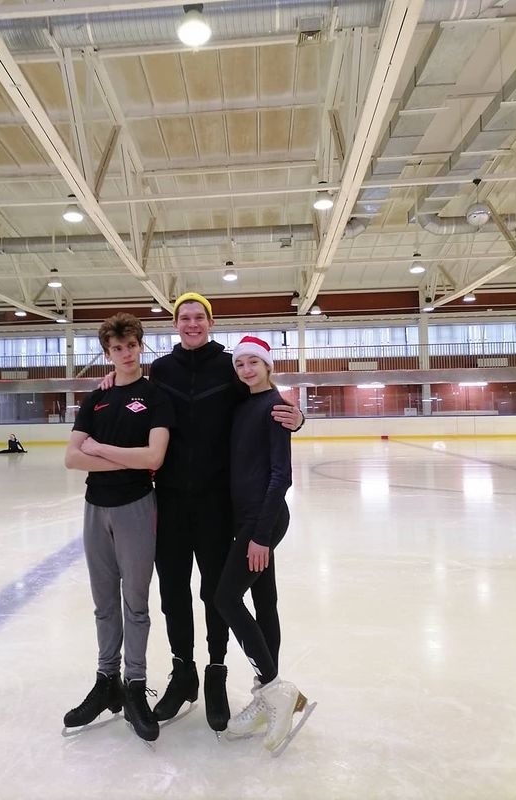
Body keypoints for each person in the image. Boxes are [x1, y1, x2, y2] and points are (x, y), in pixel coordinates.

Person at [146, 293, 304, 734]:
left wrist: (298, 418)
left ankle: (216, 673)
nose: (192, 324)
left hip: (218, 505)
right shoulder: (161, 370)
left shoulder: (229, 367)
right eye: (184, 318)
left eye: (199, 317)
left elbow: (265, 401)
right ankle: (183, 673)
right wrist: (110, 380)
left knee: (215, 593)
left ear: (210, 322)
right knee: (173, 591)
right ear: (175, 324)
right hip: (171, 500)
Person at [62, 313, 174, 743]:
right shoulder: (97, 398)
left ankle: (134, 686)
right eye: (117, 349)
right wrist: (124, 457)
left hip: (136, 508)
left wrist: (101, 449)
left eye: (131, 346)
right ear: (108, 353)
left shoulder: (155, 396)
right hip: (96, 509)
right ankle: (106, 680)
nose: (125, 354)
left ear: (140, 346)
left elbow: (153, 458)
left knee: (135, 604)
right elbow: (73, 458)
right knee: (104, 603)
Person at [214, 335, 315, 756]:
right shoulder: (243, 404)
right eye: (240, 364)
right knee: (264, 601)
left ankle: (275, 690)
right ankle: (266, 695)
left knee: (225, 598)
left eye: (254, 362)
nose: (246, 369)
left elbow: (281, 475)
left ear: (268, 365)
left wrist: (260, 534)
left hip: (263, 520)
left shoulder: (275, 407)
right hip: (247, 519)